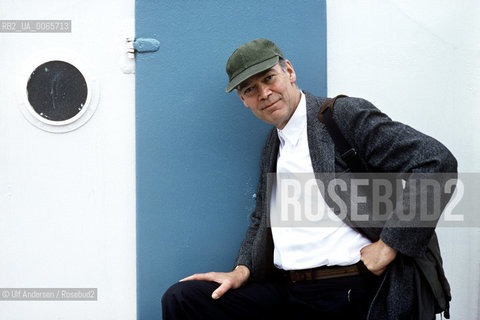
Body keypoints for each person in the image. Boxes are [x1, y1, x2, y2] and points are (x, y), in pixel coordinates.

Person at [162, 38, 457, 319]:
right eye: (250, 89)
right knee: (183, 299)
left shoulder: (341, 117)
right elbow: (261, 218)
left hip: (349, 289)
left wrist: (390, 245)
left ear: (289, 71)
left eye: (268, 78)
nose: (264, 93)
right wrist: (242, 269)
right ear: (243, 100)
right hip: (289, 291)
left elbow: (436, 162)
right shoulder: (273, 145)